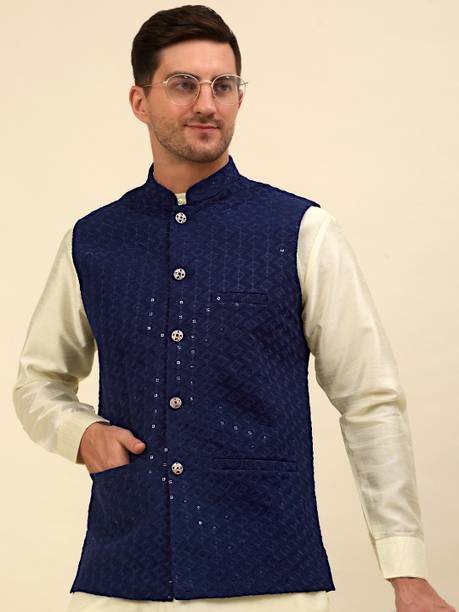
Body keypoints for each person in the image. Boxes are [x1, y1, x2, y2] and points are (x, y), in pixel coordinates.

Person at [12, 5, 455, 612]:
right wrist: (80, 433)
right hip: (120, 577)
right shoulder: (93, 240)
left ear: (239, 97)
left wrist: (405, 570)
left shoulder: (301, 230)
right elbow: (38, 381)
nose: (207, 104)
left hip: (271, 579)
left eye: (223, 85)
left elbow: (369, 399)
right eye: (183, 84)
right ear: (139, 102)